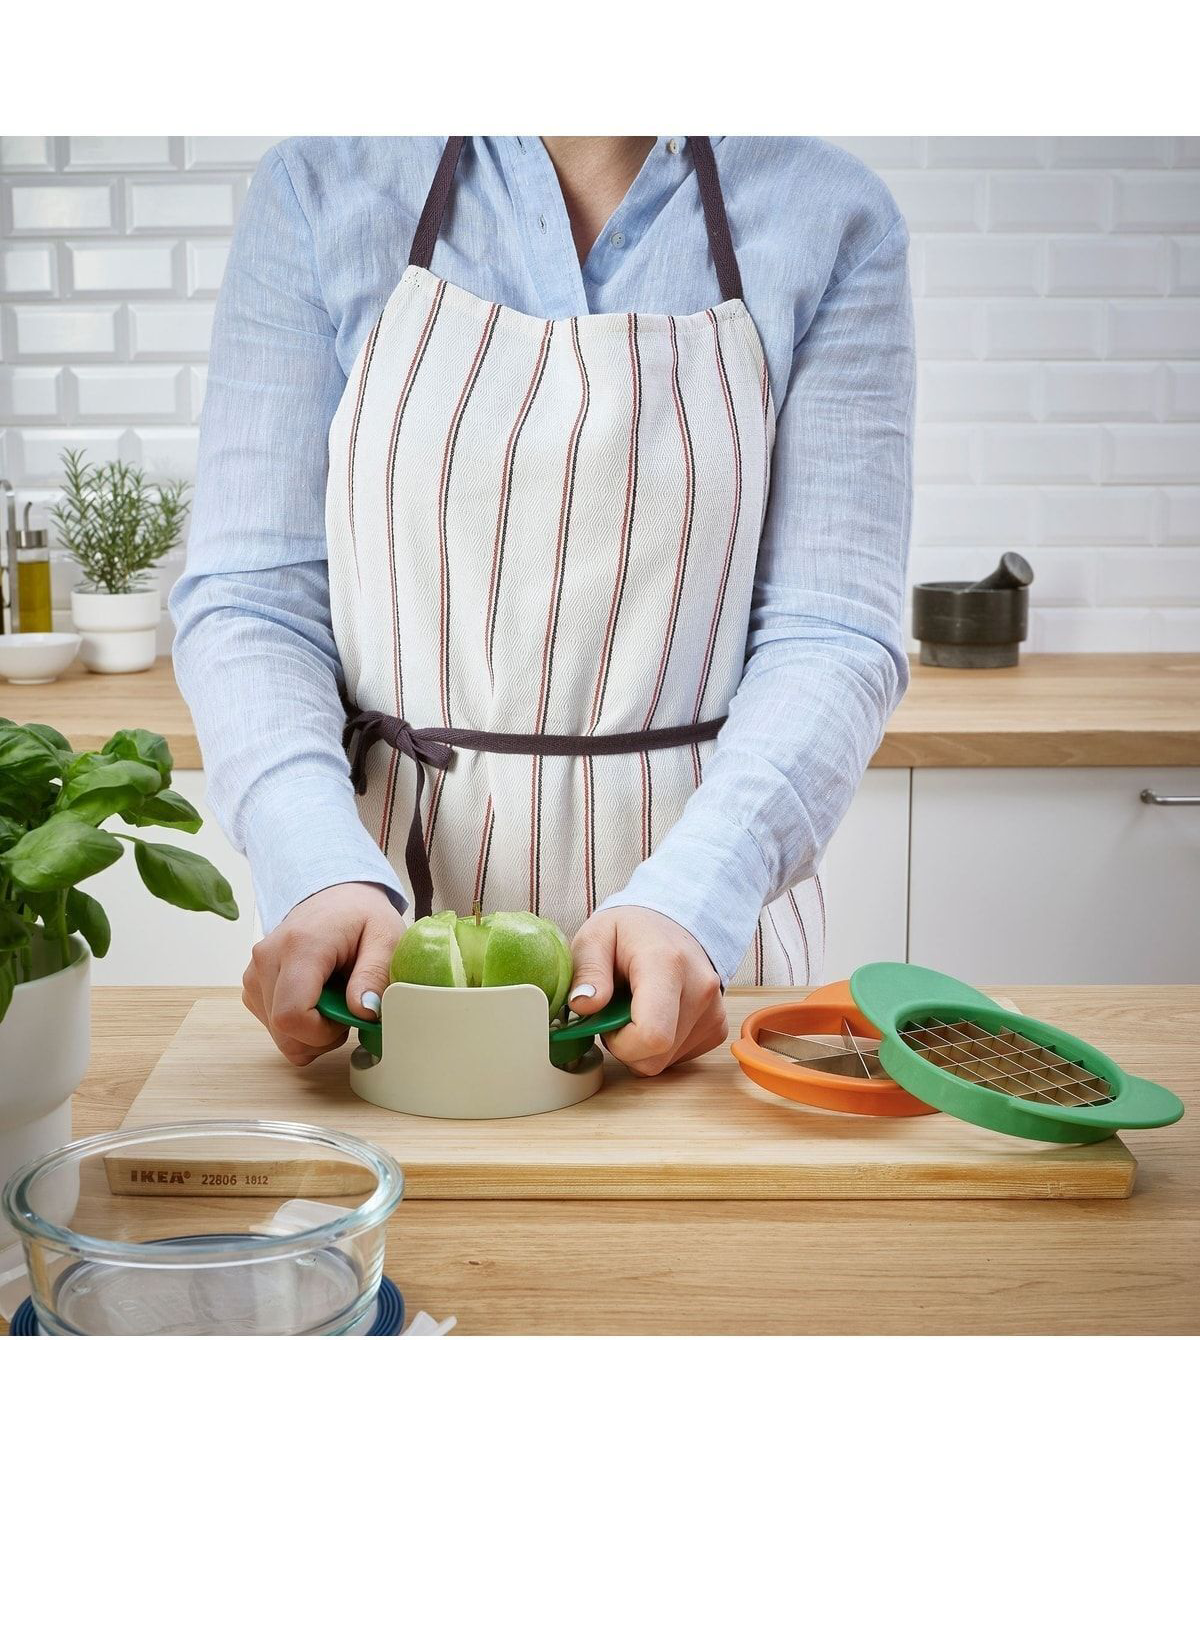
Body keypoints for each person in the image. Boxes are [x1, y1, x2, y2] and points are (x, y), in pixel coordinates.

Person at [172, 136, 914, 1078]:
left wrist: (698, 897)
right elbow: (254, 601)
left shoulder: (829, 214)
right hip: (380, 933)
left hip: (701, 952)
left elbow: (831, 629)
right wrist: (315, 866)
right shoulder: (321, 192)